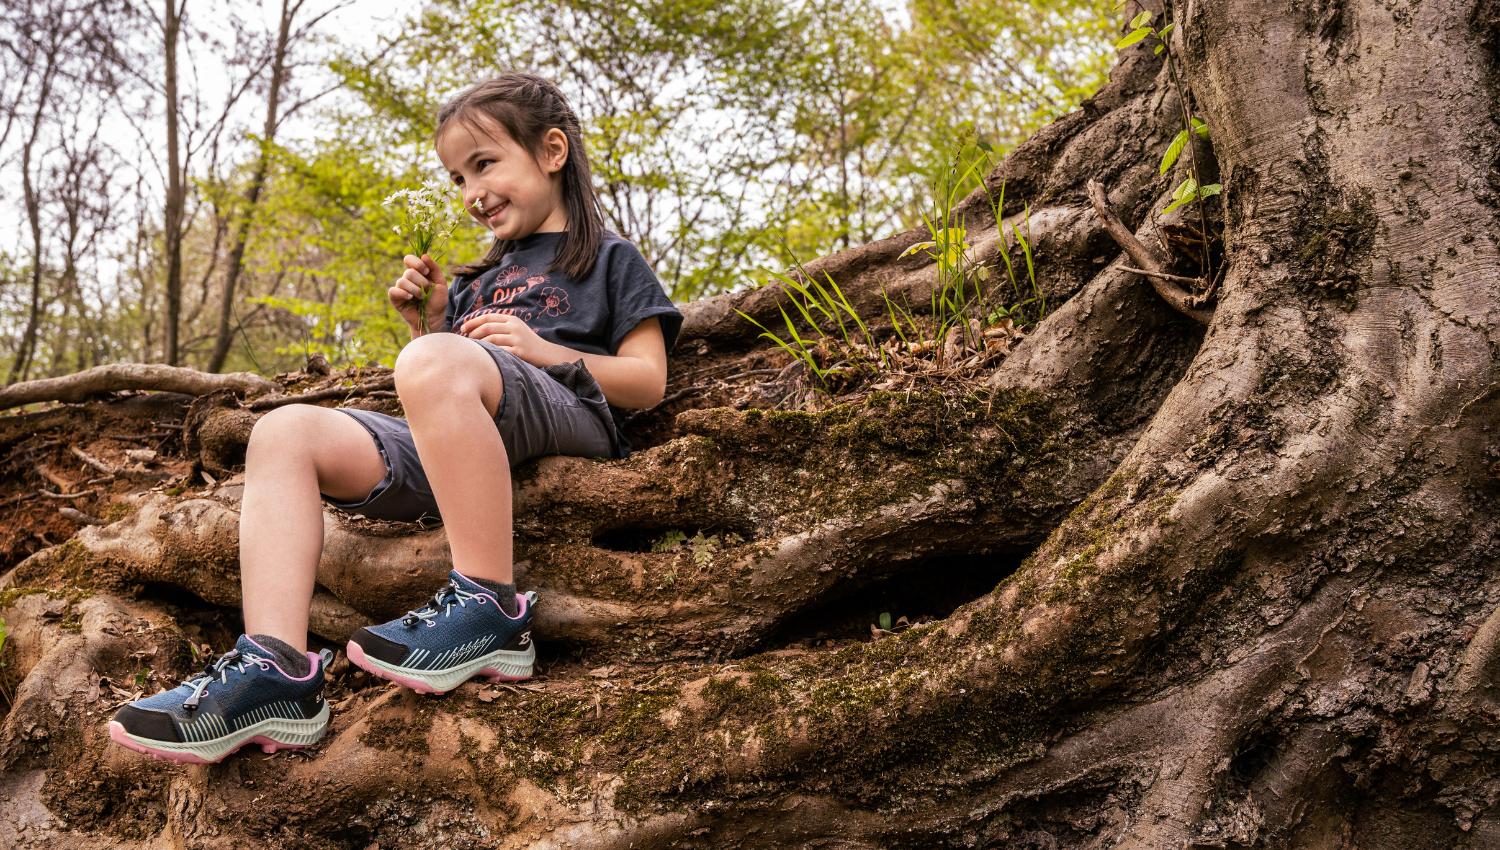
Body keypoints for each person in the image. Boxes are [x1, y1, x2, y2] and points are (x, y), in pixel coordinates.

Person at [107, 74, 683, 765]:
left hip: (568, 412)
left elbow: (648, 382)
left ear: (552, 151)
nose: (472, 192)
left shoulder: (610, 259)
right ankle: (276, 671)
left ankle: (491, 610)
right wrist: (433, 326)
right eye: (456, 177)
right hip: (472, 429)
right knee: (282, 432)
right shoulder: (474, 278)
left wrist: (542, 350)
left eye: (485, 164)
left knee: (437, 363)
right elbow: (442, 392)